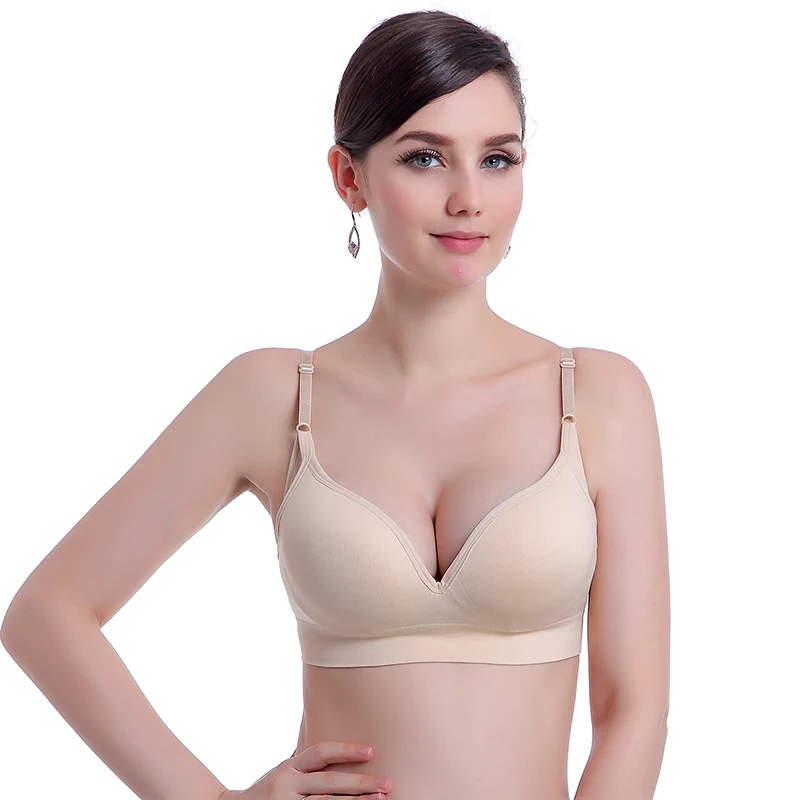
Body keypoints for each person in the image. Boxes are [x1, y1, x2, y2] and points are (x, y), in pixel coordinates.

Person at [0, 9, 670, 800]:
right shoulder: (273, 397)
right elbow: (46, 615)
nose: (468, 198)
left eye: (498, 159)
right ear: (349, 178)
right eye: (425, 157)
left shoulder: (598, 397)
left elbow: (634, 711)